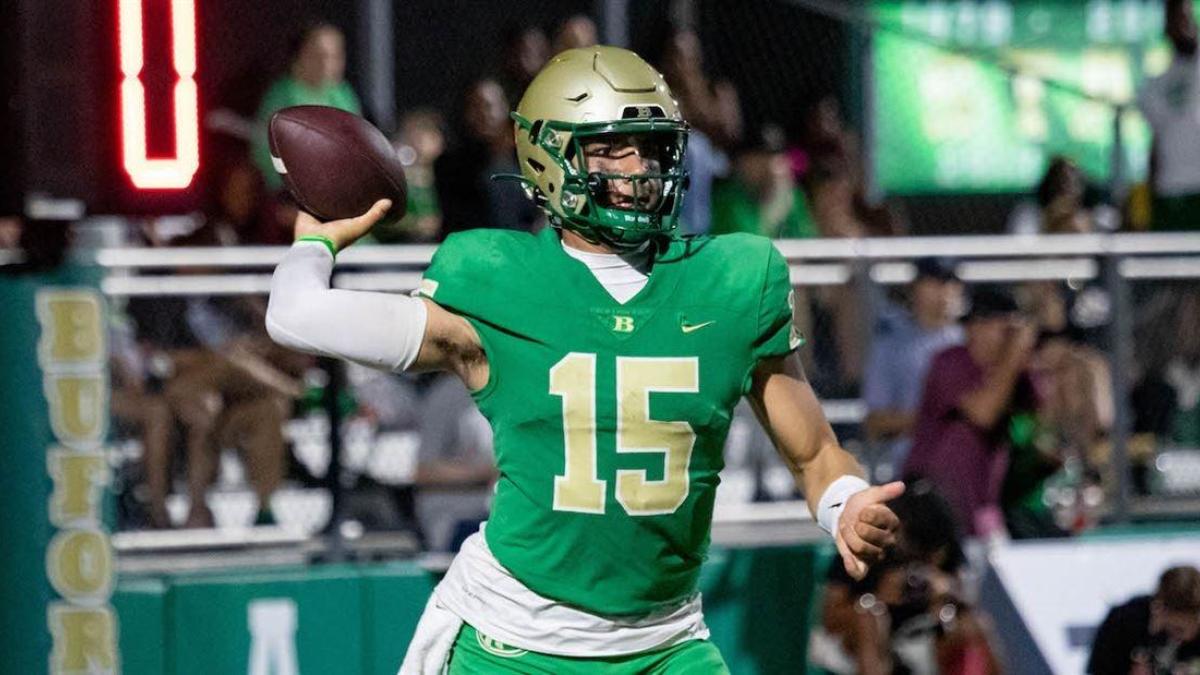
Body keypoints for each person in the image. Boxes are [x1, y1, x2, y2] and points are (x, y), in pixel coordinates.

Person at [266, 46, 901, 673]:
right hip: (515, 642)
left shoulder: (732, 278)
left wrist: (845, 503)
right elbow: (296, 315)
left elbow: (814, 452)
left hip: (666, 641)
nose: (637, 168)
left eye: (649, 147)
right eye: (609, 149)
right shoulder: (495, 277)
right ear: (549, 158)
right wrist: (316, 243)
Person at [811, 481, 1002, 675]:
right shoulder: (865, 542)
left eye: (926, 559)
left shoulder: (944, 540)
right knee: (869, 618)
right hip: (858, 641)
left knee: (974, 624)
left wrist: (942, 588)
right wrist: (879, 598)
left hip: (920, 636)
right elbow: (829, 618)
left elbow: (966, 600)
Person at [904, 285, 1039, 539]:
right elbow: (982, 414)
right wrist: (1014, 353)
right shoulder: (950, 362)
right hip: (932, 506)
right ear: (975, 327)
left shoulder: (1012, 372)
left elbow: (1043, 414)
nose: (1011, 338)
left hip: (983, 510)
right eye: (1005, 329)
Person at [863, 257, 964, 477]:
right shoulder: (890, 346)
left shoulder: (970, 342)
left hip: (964, 467)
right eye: (935, 282)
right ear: (915, 288)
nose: (945, 291)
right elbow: (875, 422)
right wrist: (937, 420)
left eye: (950, 282)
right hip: (910, 470)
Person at [253, 23, 361, 191]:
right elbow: (264, 155)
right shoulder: (282, 95)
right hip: (289, 192)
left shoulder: (343, 93)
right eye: (318, 55)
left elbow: (358, 144)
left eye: (335, 55)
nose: (327, 63)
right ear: (298, 56)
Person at [434, 79, 540, 235]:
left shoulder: (530, 159)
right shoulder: (450, 166)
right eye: (475, 107)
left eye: (489, 106)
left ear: (506, 108)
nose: (483, 115)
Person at [1138, 0, 1200, 232]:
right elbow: (1154, 141)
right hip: (1168, 189)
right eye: (1175, 19)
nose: (1183, 26)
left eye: (1186, 17)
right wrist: (1149, 195)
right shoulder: (1155, 85)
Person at [709, 124, 819, 239]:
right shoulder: (727, 198)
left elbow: (807, 240)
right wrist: (770, 215)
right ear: (742, 163)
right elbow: (746, 245)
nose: (770, 168)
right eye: (760, 159)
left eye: (775, 158)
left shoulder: (792, 196)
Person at [1088, 565, 1200, 674]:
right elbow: (1099, 668)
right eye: (1177, 630)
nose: (1188, 637)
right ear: (1158, 609)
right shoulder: (1123, 621)